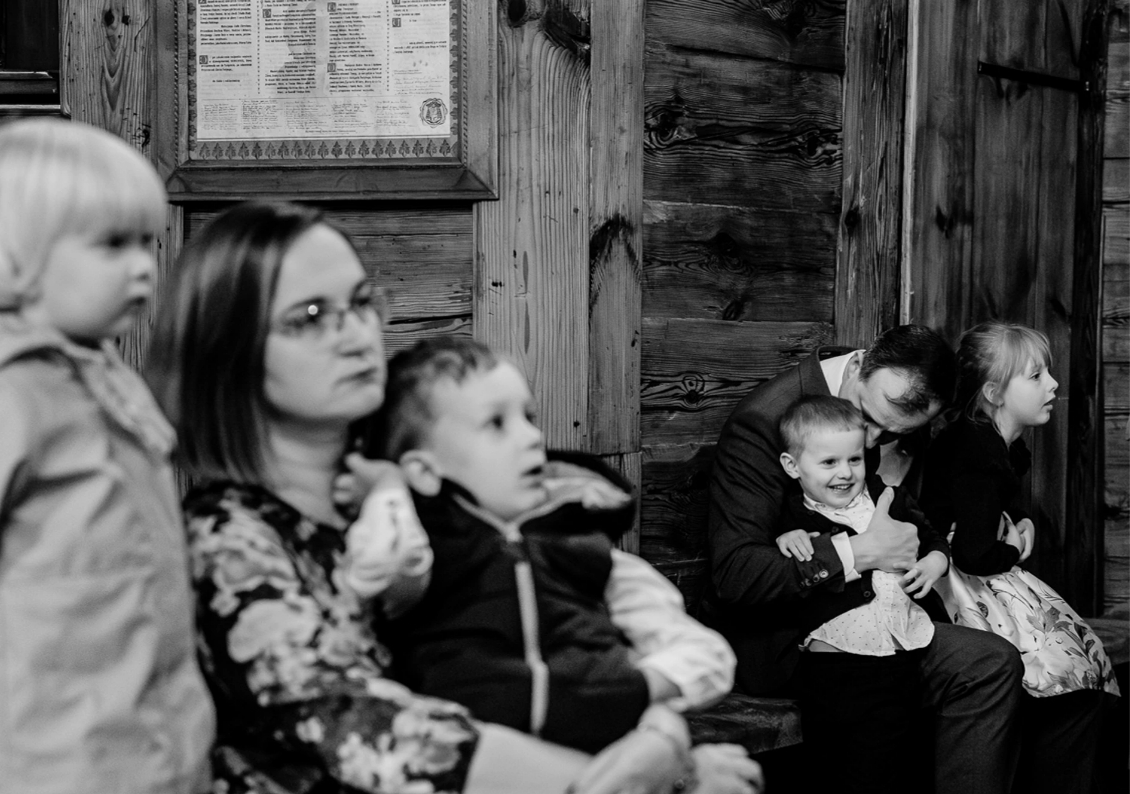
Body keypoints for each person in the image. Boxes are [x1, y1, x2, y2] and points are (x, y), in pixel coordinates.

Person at [146, 200, 764, 794]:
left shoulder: (425, 490)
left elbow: (575, 633)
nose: (356, 335)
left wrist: (661, 735)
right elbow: (370, 732)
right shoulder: (227, 541)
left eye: (360, 302)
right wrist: (665, 779)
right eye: (309, 316)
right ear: (227, 354)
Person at [0, 118, 215, 793]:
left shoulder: (107, 376)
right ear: (20, 253)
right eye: (112, 244)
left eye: (146, 241)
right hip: (49, 757)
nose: (143, 265)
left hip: (153, 736)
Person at [369, 335, 737, 753]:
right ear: (422, 470)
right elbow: (373, 565)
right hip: (476, 767)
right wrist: (387, 488)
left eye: (529, 417)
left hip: (600, 760)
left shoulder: (587, 550)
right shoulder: (417, 556)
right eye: (496, 423)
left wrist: (632, 690)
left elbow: (707, 656)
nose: (531, 437)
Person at [700, 324, 1024, 794]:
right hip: (795, 633)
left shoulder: (886, 406)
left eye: (890, 433)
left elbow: (909, 518)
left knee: (992, 661)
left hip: (889, 616)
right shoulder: (762, 423)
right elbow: (737, 574)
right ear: (859, 364)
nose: (871, 442)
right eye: (869, 419)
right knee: (876, 713)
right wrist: (859, 552)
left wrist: (938, 547)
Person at [920, 320, 1119, 794]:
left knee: (1079, 672)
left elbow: (993, 503)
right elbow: (975, 552)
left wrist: (1022, 519)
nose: (1053, 384)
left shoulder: (992, 440)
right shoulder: (976, 450)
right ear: (993, 393)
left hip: (978, 579)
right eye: (1035, 376)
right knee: (1072, 682)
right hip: (960, 589)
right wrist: (1011, 545)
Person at [772, 395, 948, 792]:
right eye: (829, 462)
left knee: (905, 753)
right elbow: (776, 564)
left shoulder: (887, 498)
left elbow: (932, 536)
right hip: (836, 666)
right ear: (792, 466)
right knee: (847, 762)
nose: (845, 473)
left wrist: (935, 561)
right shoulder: (794, 515)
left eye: (854, 459)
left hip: (900, 655)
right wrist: (787, 536)